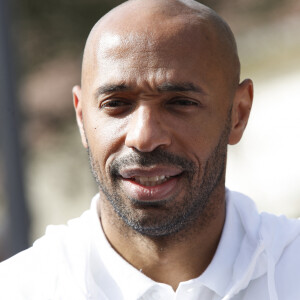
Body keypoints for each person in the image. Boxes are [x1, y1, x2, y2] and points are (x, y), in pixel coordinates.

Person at [1, 0, 300, 299]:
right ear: (82, 118)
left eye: (181, 103)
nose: (144, 137)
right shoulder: (21, 289)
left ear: (239, 113)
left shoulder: (290, 269)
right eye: (116, 104)